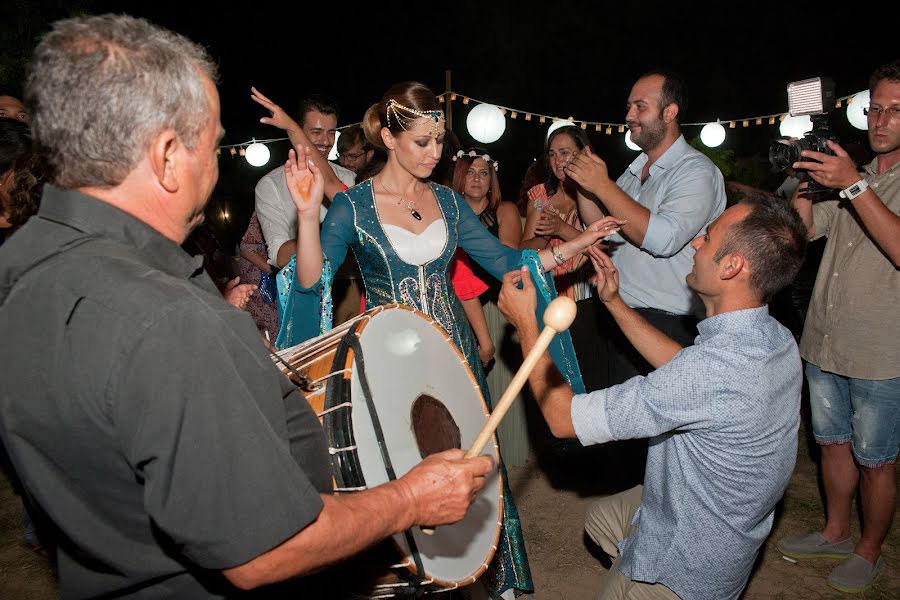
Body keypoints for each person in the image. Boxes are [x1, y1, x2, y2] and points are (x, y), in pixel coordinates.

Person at [0, 15, 493, 598]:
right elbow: (264, 550)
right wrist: (410, 498)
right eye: (210, 146)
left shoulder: (23, 269)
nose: (215, 167)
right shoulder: (170, 322)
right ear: (165, 157)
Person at [276, 80, 624, 598]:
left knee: (473, 460)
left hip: (453, 354)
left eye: (439, 142)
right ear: (389, 139)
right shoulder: (355, 207)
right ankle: (411, 576)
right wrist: (307, 214)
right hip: (388, 360)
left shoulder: (448, 201)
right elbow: (310, 281)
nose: (435, 153)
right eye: (422, 142)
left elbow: (509, 263)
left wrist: (575, 243)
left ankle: (489, 574)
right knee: (401, 470)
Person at [499, 192, 808, 600]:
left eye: (709, 238)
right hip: (718, 527)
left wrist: (527, 323)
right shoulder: (773, 338)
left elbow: (563, 419)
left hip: (689, 568)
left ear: (732, 266)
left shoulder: (710, 373)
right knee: (602, 519)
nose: (696, 243)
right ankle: (636, 561)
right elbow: (685, 367)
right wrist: (613, 302)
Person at [776, 60, 900, 594]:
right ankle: (835, 531)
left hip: (881, 350)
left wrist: (851, 184)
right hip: (825, 337)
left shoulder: (863, 182)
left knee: (876, 459)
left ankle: (869, 550)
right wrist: (805, 179)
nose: (881, 119)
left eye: (896, 110)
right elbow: (804, 232)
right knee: (831, 443)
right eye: (875, 108)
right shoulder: (859, 175)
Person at [566, 69, 726, 384]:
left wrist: (603, 186)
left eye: (640, 106)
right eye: (629, 106)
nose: (628, 115)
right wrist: (585, 186)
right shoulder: (632, 171)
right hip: (619, 316)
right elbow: (601, 227)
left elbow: (661, 239)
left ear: (670, 113)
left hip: (666, 325)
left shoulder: (696, 171)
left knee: (660, 432)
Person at [252, 88, 364, 326]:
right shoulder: (270, 185)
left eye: (330, 132)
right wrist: (330, 244)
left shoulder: (350, 179)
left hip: (353, 290)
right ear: (298, 133)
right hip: (305, 294)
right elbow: (281, 255)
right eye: (316, 132)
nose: (325, 141)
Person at [450, 147, 530, 466]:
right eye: (470, 171)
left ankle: (506, 458)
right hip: (457, 306)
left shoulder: (505, 210)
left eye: (484, 173)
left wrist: (467, 238)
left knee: (503, 385)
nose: (477, 179)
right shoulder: (445, 210)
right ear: (459, 176)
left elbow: (506, 254)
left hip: (498, 306)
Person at [522, 125, 607, 392]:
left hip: (588, 296)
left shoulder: (597, 193)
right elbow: (525, 246)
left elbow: (602, 247)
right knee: (555, 379)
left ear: (583, 153)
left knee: (590, 377)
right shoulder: (540, 197)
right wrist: (546, 237)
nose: (558, 160)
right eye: (553, 154)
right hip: (551, 294)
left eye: (565, 152)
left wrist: (561, 229)